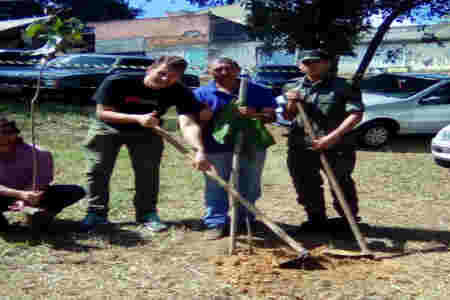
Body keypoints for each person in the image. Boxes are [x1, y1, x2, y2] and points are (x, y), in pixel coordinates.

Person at [81, 56, 211, 232]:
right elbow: (102, 113)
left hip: (148, 131)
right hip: (108, 127)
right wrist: (137, 118)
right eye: (162, 73)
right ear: (151, 68)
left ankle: (147, 214)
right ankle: (96, 214)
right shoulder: (118, 81)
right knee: (98, 169)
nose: (166, 80)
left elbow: (187, 123)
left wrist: (199, 150)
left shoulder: (178, 90)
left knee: (148, 171)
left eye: (172, 77)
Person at [194, 57, 277, 240]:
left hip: (251, 145)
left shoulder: (256, 90)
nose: (224, 72)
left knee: (249, 184)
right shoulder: (202, 93)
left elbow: (271, 116)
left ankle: (245, 220)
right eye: (218, 69)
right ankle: (216, 223)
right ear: (209, 72)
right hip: (215, 147)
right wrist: (203, 117)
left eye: (228, 68)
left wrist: (255, 114)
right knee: (216, 184)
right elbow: (193, 122)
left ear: (238, 70)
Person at [282, 49, 365, 231]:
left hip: (336, 146)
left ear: (327, 63)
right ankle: (316, 219)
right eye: (307, 62)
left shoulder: (344, 86)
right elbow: (288, 117)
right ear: (301, 66)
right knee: (305, 183)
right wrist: (291, 102)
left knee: (341, 183)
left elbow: (355, 115)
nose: (312, 65)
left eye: (317, 61)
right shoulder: (291, 87)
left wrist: (331, 138)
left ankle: (348, 223)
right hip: (301, 145)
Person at [0, 117, 85, 232]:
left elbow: (40, 181)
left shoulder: (39, 154)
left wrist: (27, 199)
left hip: (32, 195)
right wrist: (20, 194)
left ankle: (39, 217)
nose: (4, 137)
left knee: (75, 191)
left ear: (16, 133)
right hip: (5, 194)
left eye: (8, 132)